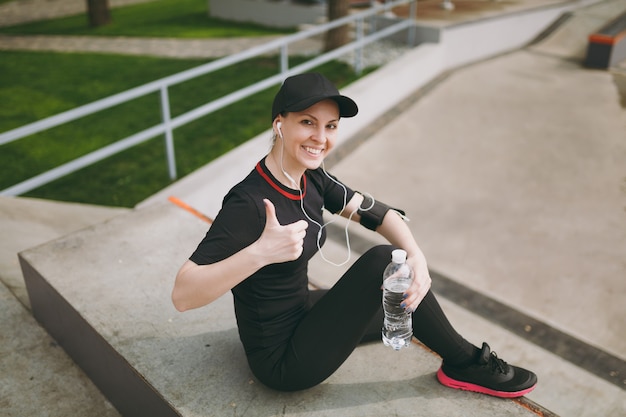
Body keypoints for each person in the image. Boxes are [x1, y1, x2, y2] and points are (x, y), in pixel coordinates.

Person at [172, 72, 537, 397]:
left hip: (301, 312)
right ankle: (466, 363)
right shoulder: (249, 202)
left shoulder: (309, 175)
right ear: (279, 124)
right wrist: (261, 253)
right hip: (281, 360)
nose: (320, 137)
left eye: (330, 126)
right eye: (307, 123)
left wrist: (416, 256)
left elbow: (377, 214)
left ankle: (461, 358)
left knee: (397, 290)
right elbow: (183, 295)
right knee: (382, 262)